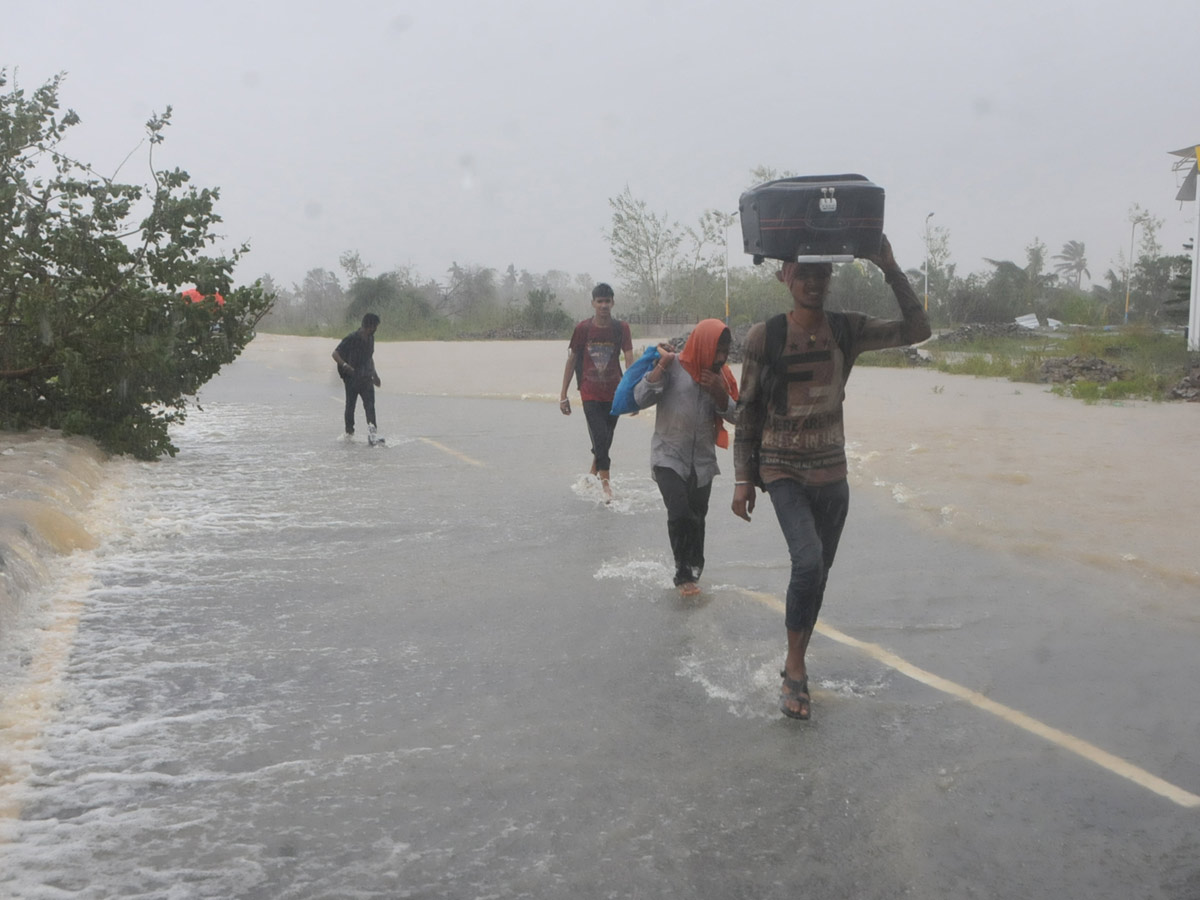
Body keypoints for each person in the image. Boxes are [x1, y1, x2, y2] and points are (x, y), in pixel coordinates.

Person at [731, 236, 931, 720]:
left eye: (822, 273)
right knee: (808, 561)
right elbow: (748, 409)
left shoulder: (847, 330)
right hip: (781, 471)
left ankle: (795, 660)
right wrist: (742, 478)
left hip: (832, 472)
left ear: (831, 278)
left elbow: (918, 329)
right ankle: (795, 668)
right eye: (804, 273)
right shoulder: (765, 336)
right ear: (785, 276)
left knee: (818, 575)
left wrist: (889, 264)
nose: (813, 282)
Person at [634, 319, 738, 597]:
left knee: (697, 518)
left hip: (703, 461)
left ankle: (695, 568)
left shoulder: (723, 376)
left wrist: (720, 394)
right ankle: (683, 574)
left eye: (726, 351)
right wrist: (660, 368)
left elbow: (740, 416)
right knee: (679, 512)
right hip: (668, 456)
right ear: (703, 345)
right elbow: (640, 398)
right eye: (718, 350)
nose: (722, 357)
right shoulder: (673, 366)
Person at [559, 283, 634, 498]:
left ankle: (593, 473)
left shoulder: (621, 328)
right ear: (593, 303)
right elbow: (572, 360)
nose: (603, 305)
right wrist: (563, 395)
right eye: (599, 301)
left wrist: (632, 393)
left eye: (607, 301)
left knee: (607, 438)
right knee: (600, 437)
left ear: (613, 303)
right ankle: (606, 486)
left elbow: (629, 359)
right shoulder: (583, 329)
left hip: (615, 392)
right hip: (589, 391)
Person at [332, 313, 382, 439]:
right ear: (369, 326)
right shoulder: (352, 338)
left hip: (366, 377)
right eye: (375, 326)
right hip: (352, 378)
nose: (376, 329)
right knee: (350, 406)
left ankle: (373, 435)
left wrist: (375, 375)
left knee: (370, 406)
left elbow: (369, 357)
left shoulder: (371, 338)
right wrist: (345, 366)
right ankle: (349, 434)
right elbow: (335, 354)